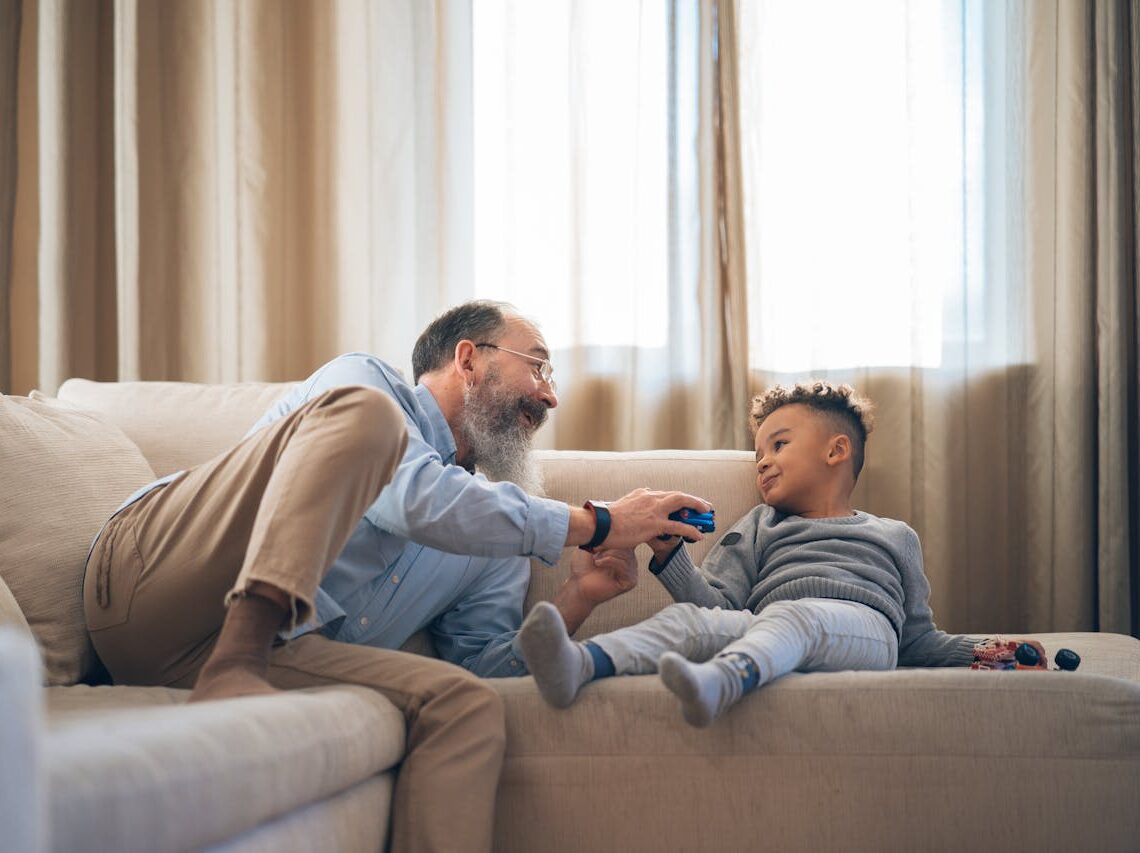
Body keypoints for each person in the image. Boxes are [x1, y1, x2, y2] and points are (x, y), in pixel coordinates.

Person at [82, 299, 709, 853]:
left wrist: (576, 598)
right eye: (538, 366)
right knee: (366, 420)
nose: (549, 396)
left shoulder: (496, 534)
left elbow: (490, 670)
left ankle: (241, 660)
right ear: (469, 358)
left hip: (260, 651)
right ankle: (236, 661)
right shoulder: (367, 385)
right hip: (153, 579)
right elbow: (411, 497)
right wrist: (598, 523)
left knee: (464, 706)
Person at [519, 380, 992, 728]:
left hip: (864, 632)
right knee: (690, 624)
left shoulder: (894, 534)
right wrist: (669, 554)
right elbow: (718, 607)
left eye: (779, 444)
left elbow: (916, 638)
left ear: (837, 451)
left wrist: (987, 652)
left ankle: (723, 681)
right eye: (759, 450)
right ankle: (578, 664)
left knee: (795, 619)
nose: (762, 460)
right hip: (771, 625)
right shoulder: (758, 526)